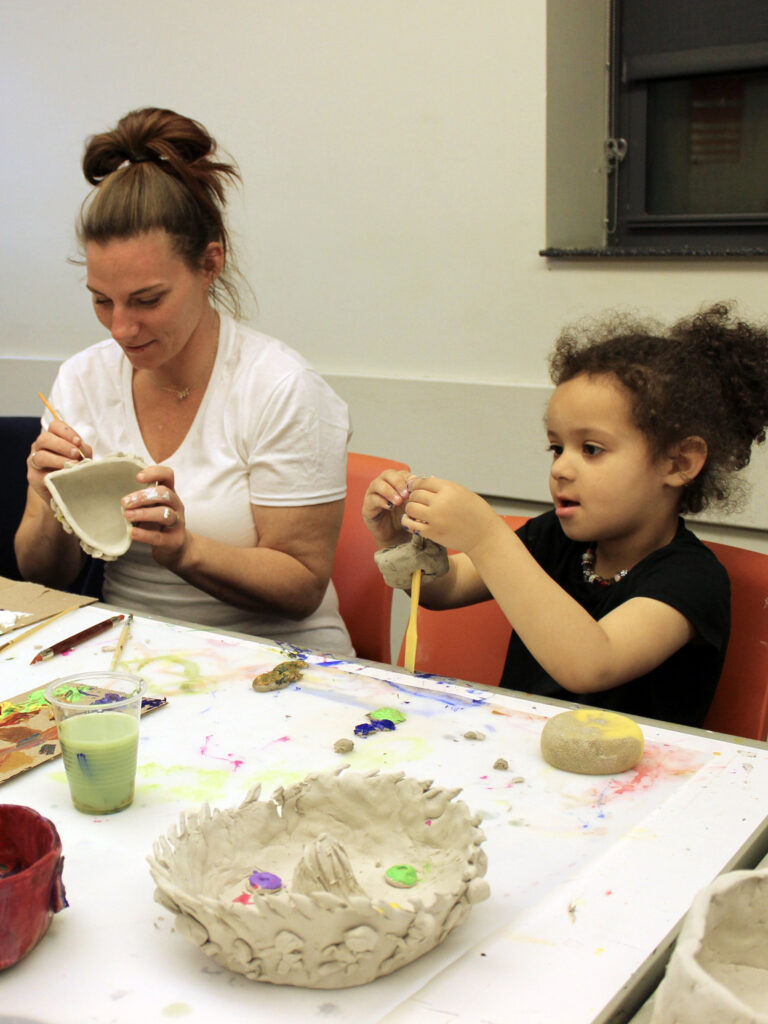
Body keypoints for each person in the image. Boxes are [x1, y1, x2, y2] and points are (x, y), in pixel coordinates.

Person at [15, 107, 354, 656]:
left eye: (148, 300)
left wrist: (186, 551)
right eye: (102, 300)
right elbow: (44, 572)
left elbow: (300, 586)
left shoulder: (280, 387)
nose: (122, 328)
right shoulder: (83, 378)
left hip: (277, 663)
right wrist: (44, 492)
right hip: (136, 655)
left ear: (210, 263)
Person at [363, 303, 768, 727]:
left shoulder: (690, 578)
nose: (560, 468)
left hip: (635, 785)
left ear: (678, 463)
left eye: (591, 449)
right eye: (556, 448)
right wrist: (397, 541)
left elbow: (591, 664)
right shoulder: (554, 537)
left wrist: (486, 536)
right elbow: (444, 589)